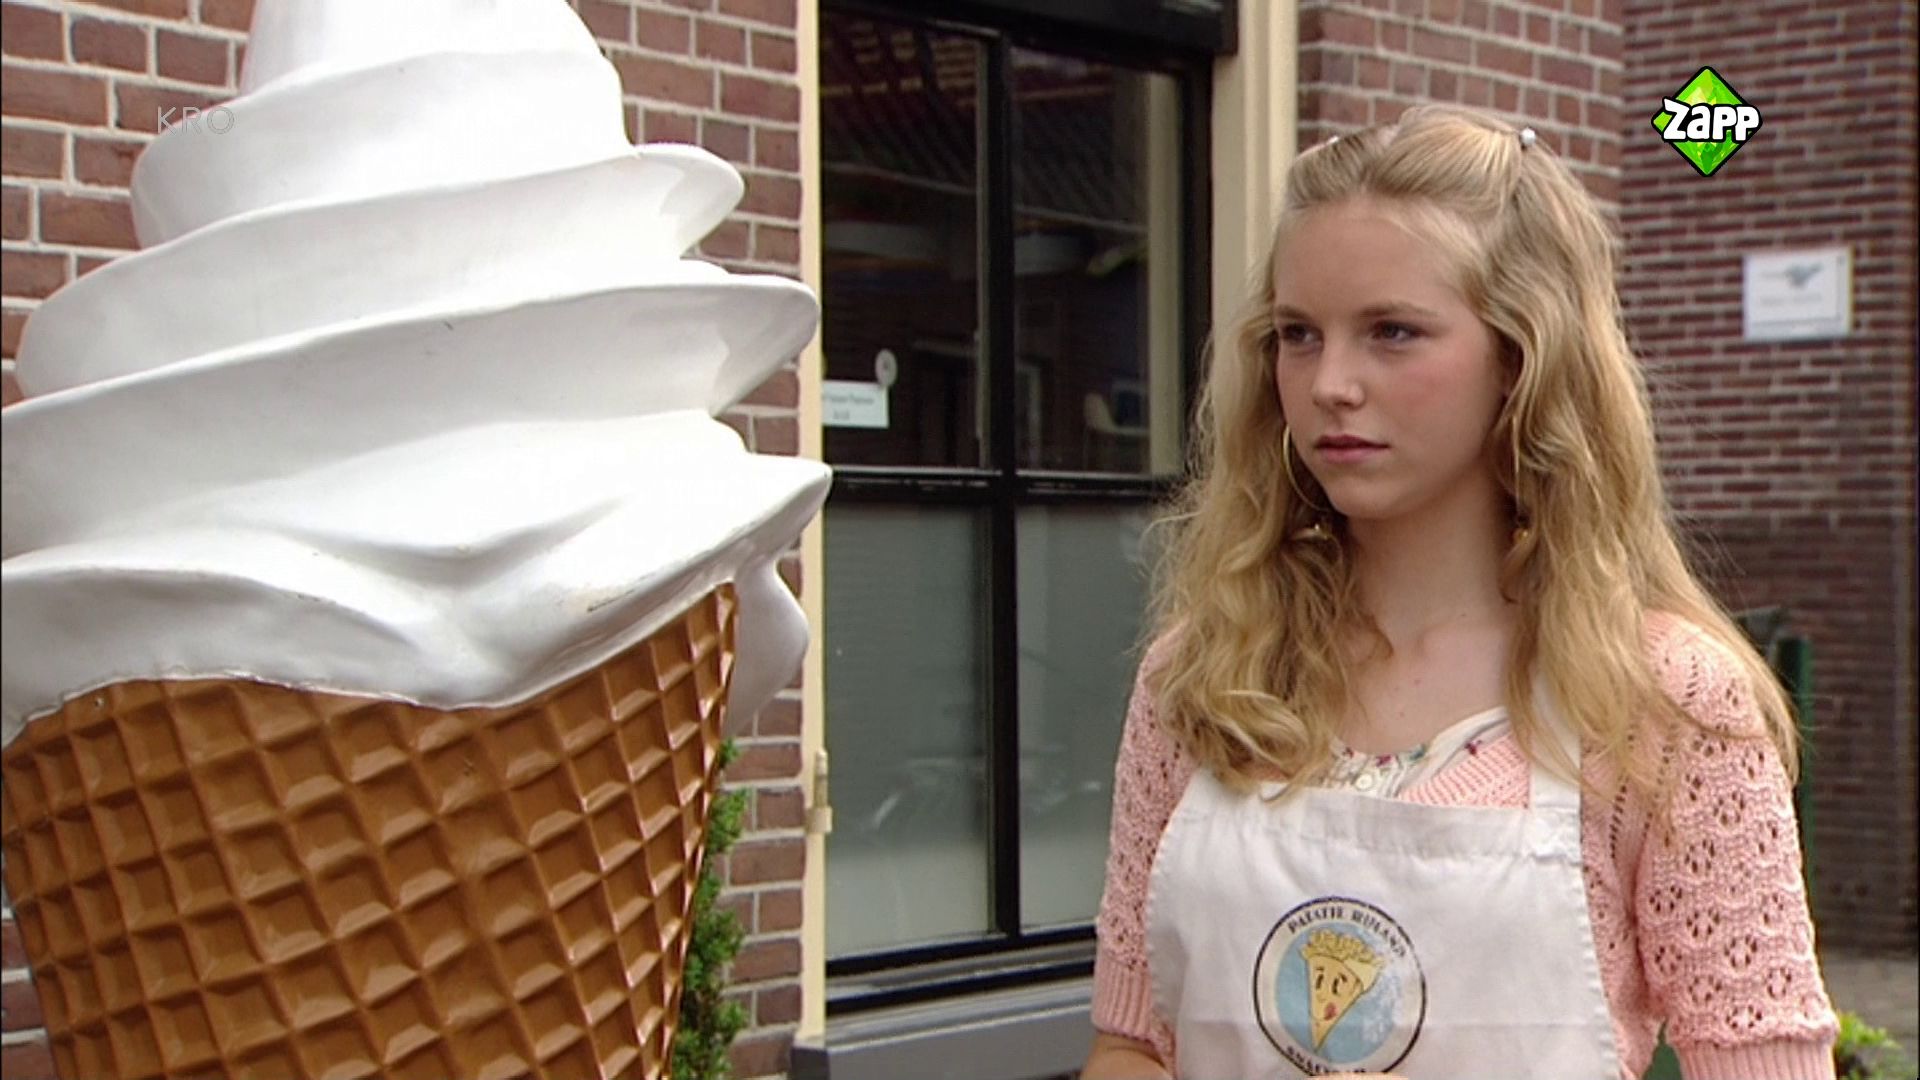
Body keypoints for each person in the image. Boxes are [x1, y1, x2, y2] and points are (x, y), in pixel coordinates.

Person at [1081, 106, 1837, 1080]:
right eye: (1298, 334)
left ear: (1523, 356)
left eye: (1392, 332)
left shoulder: (1661, 702)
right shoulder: (1203, 674)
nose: (1331, 383)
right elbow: (1134, 1041)